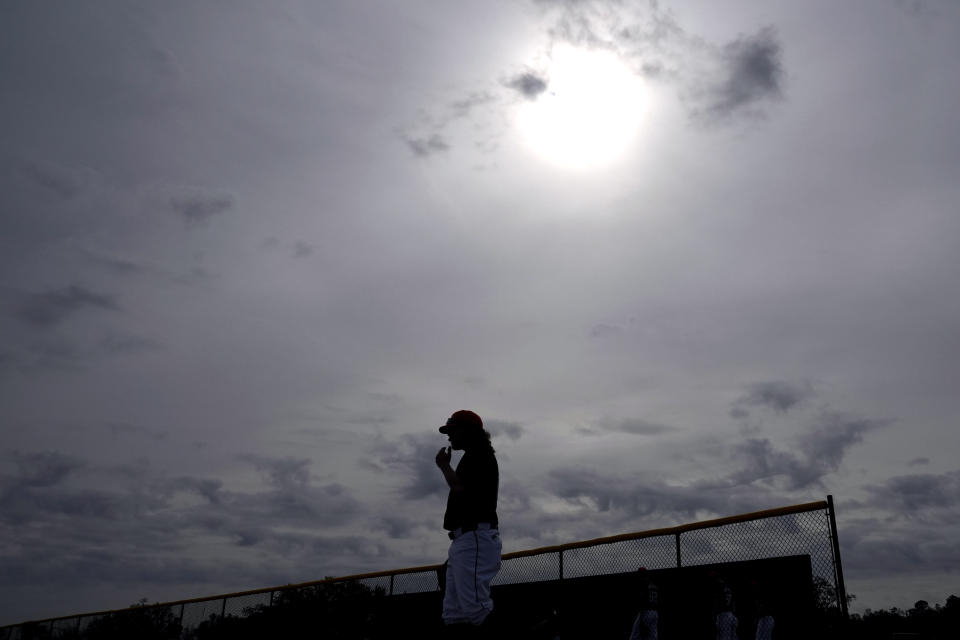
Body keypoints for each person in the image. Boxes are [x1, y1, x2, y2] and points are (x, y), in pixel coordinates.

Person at [435, 410, 502, 634]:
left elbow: (460, 487)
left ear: (470, 430)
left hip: (475, 537)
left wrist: (444, 466)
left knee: (476, 610)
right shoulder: (474, 454)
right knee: (454, 614)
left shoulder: (479, 453)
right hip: (465, 538)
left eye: (453, 430)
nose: (449, 436)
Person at [629, 567, 659, 640]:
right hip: (655, 613)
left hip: (646, 612)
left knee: (634, 636)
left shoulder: (643, 582)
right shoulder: (653, 584)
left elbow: (643, 599)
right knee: (653, 636)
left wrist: (642, 617)